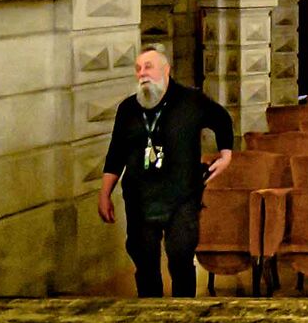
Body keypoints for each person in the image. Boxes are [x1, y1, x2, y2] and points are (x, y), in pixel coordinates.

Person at [98, 46, 236, 297]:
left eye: (148, 67)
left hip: (182, 195)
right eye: (138, 69)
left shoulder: (191, 101)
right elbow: (116, 153)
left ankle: (184, 314)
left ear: (166, 70)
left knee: (180, 257)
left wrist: (226, 155)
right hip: (140, 198)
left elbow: (222, 119)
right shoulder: (128, 109)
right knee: (145, 261)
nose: (142, 73)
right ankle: (152, 316)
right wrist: (105, 193)